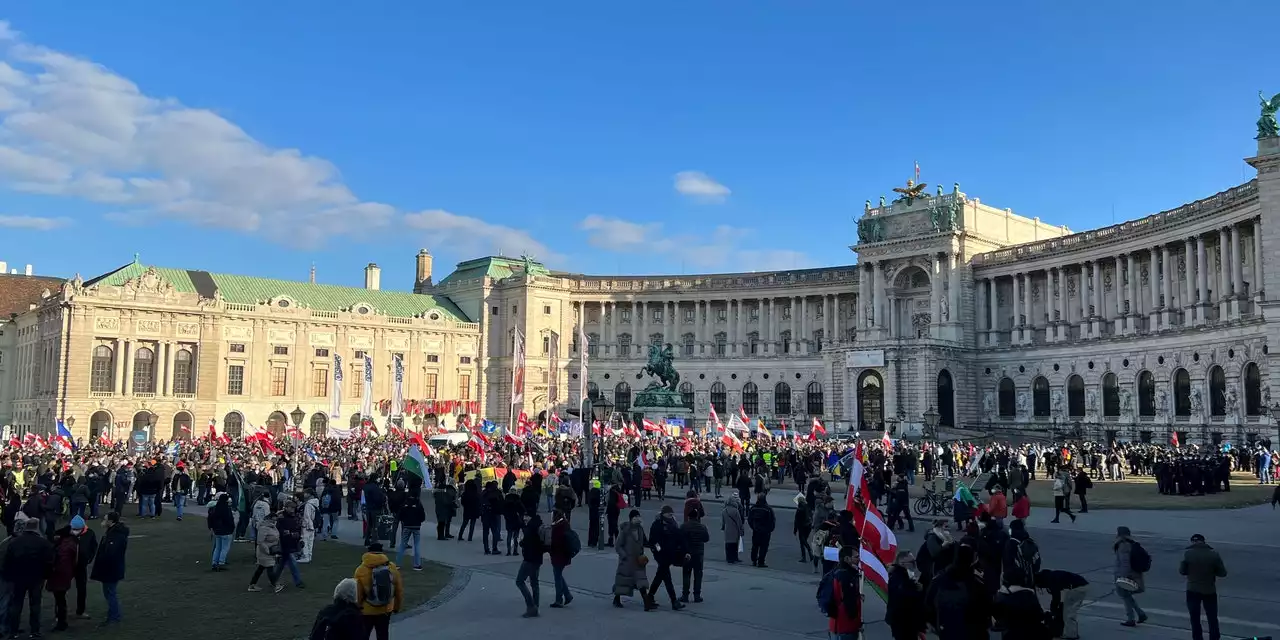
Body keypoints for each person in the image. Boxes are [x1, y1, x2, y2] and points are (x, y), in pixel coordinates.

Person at [2, 518, 54, 637]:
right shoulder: (43, 543)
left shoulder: (14, 542)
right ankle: (34, 631)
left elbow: (7, 561)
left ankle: (13, 631)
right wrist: (46, 576)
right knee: (35, 604)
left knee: (16, 604)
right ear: (36, 527)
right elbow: (49, 562)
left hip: (18, 577)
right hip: (36, 578)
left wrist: (9, 576)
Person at [1179, 533, 1227, 640]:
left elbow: (1182, 571)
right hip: (1209, 589)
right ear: (1204, 541)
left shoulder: (1188, 554)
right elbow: (1222, 573)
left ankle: (1197, 638)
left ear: (1193, 542)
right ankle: (1214, 637)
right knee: (1212, 617)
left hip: (1192, 590)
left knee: (1194, 617)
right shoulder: (1214, 554)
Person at [354, 542, 404, 640]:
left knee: (363, 635)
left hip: (367, 610)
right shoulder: (391, 567)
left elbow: (358, 593)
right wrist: (396, 607)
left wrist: (358, 608)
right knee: (383, 635)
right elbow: (399, 590)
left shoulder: (360, 570)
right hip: (385, 609)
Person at [89, 512, 128, 627]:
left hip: (111, 569)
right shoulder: (113, 533)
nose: (103, 521)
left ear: (111, 521)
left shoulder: (115, 535)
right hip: (111, 568)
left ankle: (114, 617)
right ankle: (113, 614)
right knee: (109, 592)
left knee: (110, 593)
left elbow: (111, 553)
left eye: (105, 519)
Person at [646, 505, 686, 611]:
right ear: (663, 514)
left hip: (670, 555)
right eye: (669, 514)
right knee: (667, 578)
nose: (670, 516)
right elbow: (653, 541)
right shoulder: (657, 525)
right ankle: (673, 601)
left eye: (671, 514)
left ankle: (649, 597)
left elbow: (678, 537)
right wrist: (659, 551)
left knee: (660, 576)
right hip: (661, 556)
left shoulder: (673, 524)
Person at [818, 545, 862, 639]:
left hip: (835, 624)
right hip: (846, 626)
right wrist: (856, 622)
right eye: (856, 557)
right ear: (847, 559)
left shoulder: (834, 572)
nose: (859, 559)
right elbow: (849, 603)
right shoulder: (846, 576)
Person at [612, 509, 651, 609]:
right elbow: (618, 545)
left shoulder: (640, 529)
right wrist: (623, 555)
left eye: (638, 517)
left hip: (638, 560)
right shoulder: (625, 530)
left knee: (641, 581)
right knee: (623, 582)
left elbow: (645, 541)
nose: (637, 519)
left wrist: (654, 545)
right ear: (631, 519)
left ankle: (646, 602)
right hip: (627, 561)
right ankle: (617, 598)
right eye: (635, 517)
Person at [1037, 569, 1088, 640]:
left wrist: (1053, 609)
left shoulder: (1051, 580)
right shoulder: (1051, 575)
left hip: (1078, 588)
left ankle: (1071, 635)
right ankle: (1068, 632)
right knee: (1065, 609)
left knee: (1068, 612)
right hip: (1079, 585)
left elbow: (1056, 597)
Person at [885, 551, 926, 640]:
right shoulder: (898, 578)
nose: (914, 564)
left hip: (907, 622)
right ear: (902, 563)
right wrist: (918, 591)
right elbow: (904, 598)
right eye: (911, 562)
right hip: (903, 623)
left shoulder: (905, 576)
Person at [1114, 526, 1148, 627]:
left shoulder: (1123, 545)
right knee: (1126, 596)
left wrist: (1122, 578)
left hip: (1126, 575)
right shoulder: (1132, 543)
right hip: (1133, 574)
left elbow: (1125, 562)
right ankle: (1140, 614)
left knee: (1125, 596)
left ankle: (1131, 619)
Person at [48, 521, 80, 631]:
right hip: (66, 575)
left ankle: (61, 621)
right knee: (60, 598)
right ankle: (60, 618)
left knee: (60, 599)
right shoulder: (71, 543)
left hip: (59, 576)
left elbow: (60, 563)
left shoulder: (63, 547)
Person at [515, 511, 545, 618]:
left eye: (526, 516)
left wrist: (521, 543)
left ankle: (531, 606)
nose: (524, 518)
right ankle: (535, 607)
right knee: (534, 582)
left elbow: (527, 542)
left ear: (531, 517)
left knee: (519, 581)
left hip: (530, 559)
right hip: (537, 559)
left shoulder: (531, 528)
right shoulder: (537, 524)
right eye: (524, 516)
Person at [248, 512, 284, 593]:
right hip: (264, 551)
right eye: (274, 520)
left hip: (269, 551)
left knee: (261, 568)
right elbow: (260, 541)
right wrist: (267, 550)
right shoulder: (264, 528)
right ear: (269, 519)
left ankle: (252, 585)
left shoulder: (271, 526)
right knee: (269, 568)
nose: (275, 521)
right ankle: (276, 585)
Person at [679, 509, 709, 603]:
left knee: (686, 574)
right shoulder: (702, 527)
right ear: (697, 517)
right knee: (698, 575)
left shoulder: (684, 526)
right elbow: (706, 539)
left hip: (687, 554)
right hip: (699, 554)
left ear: (689, 517)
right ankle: (697, 595)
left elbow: (679, 539)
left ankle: (685, 595)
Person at [548, 508, 574, 608]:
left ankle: (559, 599)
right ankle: (567, 595)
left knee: (557, 577)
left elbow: (555, 543)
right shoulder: (565, 524)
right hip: (564, 555)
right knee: (558, 575)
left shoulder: (558, 527)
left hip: (558, 555)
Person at [395, 489, 426, 570]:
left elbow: (400, 515)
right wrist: (419, 521)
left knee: (402, 544)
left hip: (406, 525)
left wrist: (404, 521)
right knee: (417, 545)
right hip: (416, 526)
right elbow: (423, 516)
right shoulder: (418, 504)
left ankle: (398, 563)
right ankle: (417, 564)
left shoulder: (405, 503)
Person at [207, 493, 236, 571]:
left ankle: (214, 562)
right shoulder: (227, 509)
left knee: (218, 547)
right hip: (226, 531)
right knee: (225, 548)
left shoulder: (215, 508)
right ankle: (221, 562)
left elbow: (211, 519)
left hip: (217, 531)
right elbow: (230, 520)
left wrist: (212, 528)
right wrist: (232, 528)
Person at [747, 492, 776, 568]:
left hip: (756, 531)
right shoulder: (768, 509)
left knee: (755, 546)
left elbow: (749, 519)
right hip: (765, 532)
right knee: (764, 547)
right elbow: (772, 520)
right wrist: (770, 529)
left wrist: (753, 527)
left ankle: (754, 560)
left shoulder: (753, 508)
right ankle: (761, 561)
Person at [721, 493, 745, 564]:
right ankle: (735, 557)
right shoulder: (735, 510)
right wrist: (741, 530)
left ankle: (728, 558)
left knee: (728, 544)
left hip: (727, 529)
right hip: (735, 530)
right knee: (734, 544)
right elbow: (739, 522)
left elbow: (723, 521)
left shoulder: (724, 511)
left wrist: (723, 527)